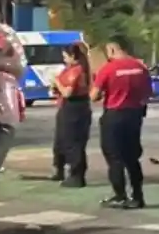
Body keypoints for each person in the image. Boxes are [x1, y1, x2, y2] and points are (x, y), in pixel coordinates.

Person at [91, 35, 152, 209]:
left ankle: (120, 195)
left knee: (114, 157)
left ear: (112, 48)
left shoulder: (108, 69)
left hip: (114, 116)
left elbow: (94, 95)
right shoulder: (140, 67)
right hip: (134, 115)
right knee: (132, 158)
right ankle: (138, 196)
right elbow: (148, 93)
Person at [49, 42, 92, 188]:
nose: (64, 59)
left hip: (75, 108)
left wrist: (56, 82)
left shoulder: (77, 71)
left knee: (73, 142)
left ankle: (77, 175)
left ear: (73, 56)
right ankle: (60, 169)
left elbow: (67, 92)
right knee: (61, 140)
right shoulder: (70, 70)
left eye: (65, 56)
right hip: (67, 107)